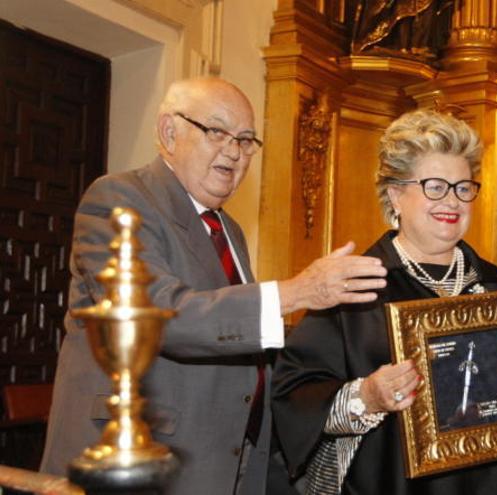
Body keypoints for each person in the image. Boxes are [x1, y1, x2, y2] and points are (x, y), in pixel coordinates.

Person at [40, 77, 387, 495]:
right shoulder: (119, 198)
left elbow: (237, 337)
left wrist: (349, 388)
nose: (234, 151)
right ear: (169, 132)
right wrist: (296, 292)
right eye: (217, 132)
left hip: (225, 460)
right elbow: (156, 315)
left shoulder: (229, 229)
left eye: (245, 140)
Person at [271, 110, 497, 495]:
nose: (451, 201)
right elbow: (294, 397)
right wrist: (366, 396)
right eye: (435, 186)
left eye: (463, 187)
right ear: (396, 193)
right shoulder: (354, 288)